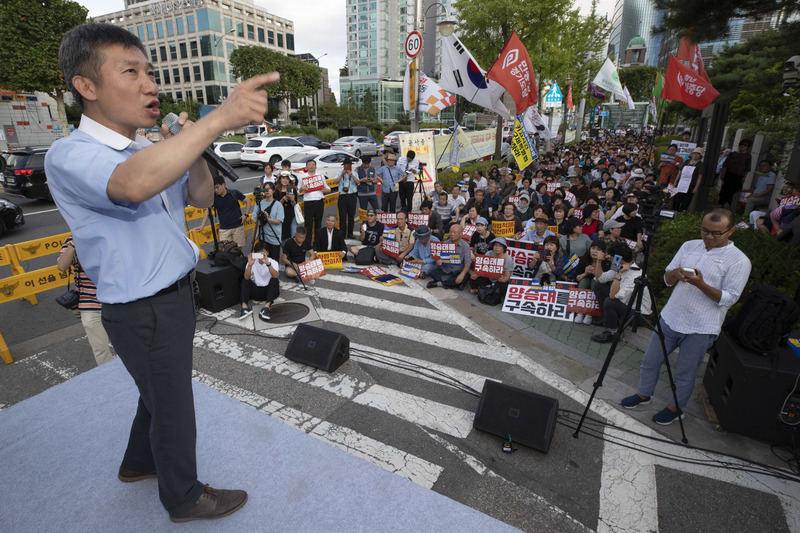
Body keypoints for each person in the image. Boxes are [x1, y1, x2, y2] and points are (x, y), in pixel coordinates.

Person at [45, 23, 276, 522]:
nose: (151, 84)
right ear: (86, 87)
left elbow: (197, 197)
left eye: (150, 72)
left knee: (158, 392)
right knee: (173, 404)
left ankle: (137, 463)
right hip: (141, 307)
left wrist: (189, 148)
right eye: (131, 72)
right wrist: (213, 123)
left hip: (172, 295)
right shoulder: (72, 153)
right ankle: (184, 496)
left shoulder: (145, 148)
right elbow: (131, 187)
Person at [620, 209, 751, 425]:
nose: (708, 237)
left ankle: (676, 407)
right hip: (671, 316)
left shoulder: (739, 261)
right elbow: (667, 278)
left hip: (702, 326)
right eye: (705, 230)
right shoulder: (689, 245)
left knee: (685, 372)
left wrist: (701, 284)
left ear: (731, 231)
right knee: (650, 360)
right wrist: (676, 273)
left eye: (716, 233)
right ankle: (644, 394)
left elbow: (729, 298)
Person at [57, 236, 113, 366]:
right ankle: (112, 378)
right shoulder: (72, 240)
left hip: (116, 300)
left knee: (129, 343)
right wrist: (74, 242)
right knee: (100, 349)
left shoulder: (107, 233)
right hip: (90, 304)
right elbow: (62, 266)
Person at [590, 243, 651, 343]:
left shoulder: (636, 275)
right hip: (625, 304)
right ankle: (608, 319)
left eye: (611, 256)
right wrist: (599, 261)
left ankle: (612, 333)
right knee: (599, 287)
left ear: (619, 258)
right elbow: (600, 279)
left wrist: (618, 274)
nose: (608, 257)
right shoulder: (620, 265)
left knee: (609, 301)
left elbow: (612, 296)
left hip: (637, 315)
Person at [199, 175, 251, 249]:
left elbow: (248, 201)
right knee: (226, 252)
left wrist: (246, 215)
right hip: (224, 229)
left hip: (238, 227)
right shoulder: (214, 197)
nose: (216, 190)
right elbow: (208, 211)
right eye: (214, 188)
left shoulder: (234, 193)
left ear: (223, 185)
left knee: (238, 251)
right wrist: (202, 226)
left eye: (217, 187)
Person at [239, 241, 280, 321]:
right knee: (244, 280)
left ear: (267, 253)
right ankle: (244, 308)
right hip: (257, 291)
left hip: (270, 292)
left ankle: (266, 307)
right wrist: (250, 265)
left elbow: (275, 275)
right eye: (258, 253)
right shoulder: (252, 262)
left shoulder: (273, 262)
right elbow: (246, 277)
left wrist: (267, 263)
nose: (261, 256)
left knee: (274, 280)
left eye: (263, 253)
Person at [427, 223, 472, 289]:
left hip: (459, 271)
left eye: (454, 232)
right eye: (450, 232)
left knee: (464, 277)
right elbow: (440, 258)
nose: (452, 234)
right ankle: (455, 283)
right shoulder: (445, 243)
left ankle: (439, 283)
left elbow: (468, 263)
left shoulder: (465, 246)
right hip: (447, 271)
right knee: (433, 272)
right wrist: (439, 261)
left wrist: (461, 275)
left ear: (460, 234)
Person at [299, 159, 331, 249]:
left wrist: (326, 190)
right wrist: (302, 188)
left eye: (313, 164)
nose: (311, 166)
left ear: (315, 166)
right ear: (306, 167)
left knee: (318, 223)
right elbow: (298, 190)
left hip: (319, 201)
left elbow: (328, 188)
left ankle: (317, 244)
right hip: (308, 202)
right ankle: (307, 244)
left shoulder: (320, 176)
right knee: (308, 224)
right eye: (309, 164)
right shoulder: (302, 177)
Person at [251, 181, 284, 261]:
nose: (268, 191)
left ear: (273, 190)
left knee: (274, 259)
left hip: (274, 237)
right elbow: (254, 218)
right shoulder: (259, 203)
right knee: (262, 259)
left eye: (270, 189)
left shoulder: (278, 205)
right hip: (262, 236)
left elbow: (279, 221)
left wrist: (268, 219)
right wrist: (257, 222)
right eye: (266, 189)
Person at [718, 139, 751, 208]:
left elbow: (747, 168)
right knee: (725, 189)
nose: (742, 146)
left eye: (745, 145)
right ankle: (721, 203)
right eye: (741, 144)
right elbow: (725, 164)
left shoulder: (748, 156)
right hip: (729, 173)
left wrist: (744, 177)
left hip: (738, 175)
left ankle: (731, 205)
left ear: (748, 147)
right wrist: (723, 173)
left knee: (734, 191)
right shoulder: (733, 154)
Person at [334, 157, 359, 238]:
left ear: (351, 166)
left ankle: (350, 233)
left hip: (352, 196)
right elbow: (335, 182)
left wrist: (351, 174)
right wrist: (342, 175)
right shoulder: (339, 173)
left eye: (348, 165)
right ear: (343, 166)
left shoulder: (355, 173)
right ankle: (342, 234)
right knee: (342, 216)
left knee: (351, 216)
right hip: (342, 196)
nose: (347, 167)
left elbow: (358, 182)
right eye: (345, 165)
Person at [672, 147, 702, 212]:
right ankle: (673, 213)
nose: (695, 155)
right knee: (677, 199)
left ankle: (681, 214)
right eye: (694, 153)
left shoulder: (700, 164)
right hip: (681, 184)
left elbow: (700, 177)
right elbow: (680, 172)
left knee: (686, 201)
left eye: (697, 154)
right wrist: (675, 181)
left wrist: (696, 187)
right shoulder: (687, 161)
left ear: (700, 156)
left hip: (691, 185)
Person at [274, 170, 297, 240]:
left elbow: (294, 204)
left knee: (293, 237)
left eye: (287, 178)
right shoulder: (275, 191)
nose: (285, 180)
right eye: (283, 178)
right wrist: (283, 200)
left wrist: (292, 199)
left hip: (291, 216)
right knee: (283, 238)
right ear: (280, 179)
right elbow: (275, 206)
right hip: (280, 217)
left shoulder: (293, 190)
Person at [397, 149, 419, 213]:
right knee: (402, 197)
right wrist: (403, 173)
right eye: (408, 158)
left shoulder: (416, 161)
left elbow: (417, 171)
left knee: (409, 198)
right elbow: (397, 168)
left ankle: (409, 211)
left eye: (411, 159)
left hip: (410, 181)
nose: (409, 160)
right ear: (406, 156)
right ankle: (403, 210)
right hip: (401, 180)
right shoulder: (401, 159)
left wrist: (414, 170)